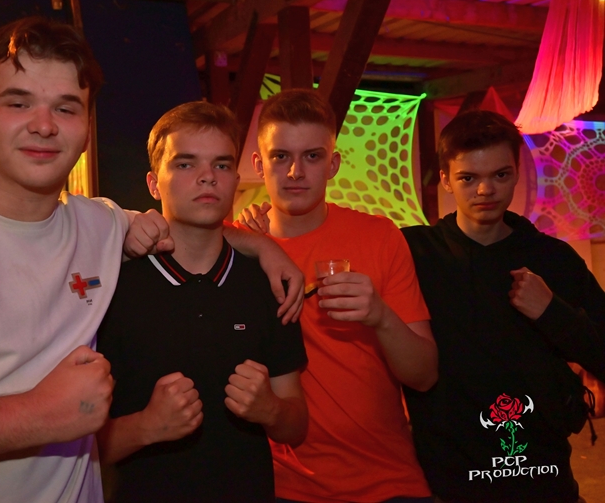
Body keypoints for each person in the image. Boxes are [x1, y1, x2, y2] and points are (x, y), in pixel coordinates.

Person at [0, 17, 303, 502]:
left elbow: (192, 228)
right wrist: (32, 415)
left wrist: (265, 246)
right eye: (18, 102)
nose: (44, 125)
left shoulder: (101, 225)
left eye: (66, 108)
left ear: (86, 131)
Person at [96, 101, 309, 503]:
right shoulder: (113, 287)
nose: (208, 176)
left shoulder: (268, 282)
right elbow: (71, 449)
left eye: (221, 165)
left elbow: (297, 426)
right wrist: (144, 427)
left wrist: (271, 410)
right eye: (185, 163)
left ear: (235, 180)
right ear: (153, 183)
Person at [238, 88, 438, 503]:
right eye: (280, 156)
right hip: (280, 483)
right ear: (259, 164)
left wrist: (380, 316)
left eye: (312, 156)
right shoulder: (235, 243)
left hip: (385, 479)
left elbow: (424, 375)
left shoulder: (379, 236)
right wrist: (246, 242)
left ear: (333, 164)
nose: (296, 171)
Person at [401, 110, 605, 502]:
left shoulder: (553, 259)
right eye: (468, 178)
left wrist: (552, 312)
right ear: (445, 178)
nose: (485, 190)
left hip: (542, 477)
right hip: (447, 482)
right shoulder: (414, 252)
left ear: (516, 173)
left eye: (500, 175)